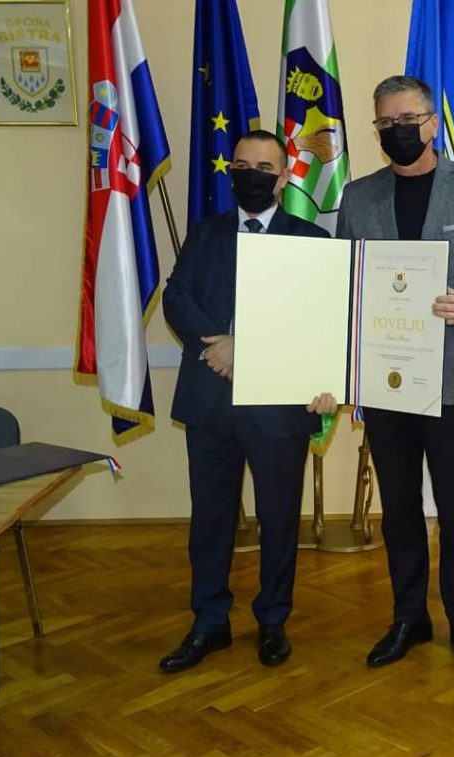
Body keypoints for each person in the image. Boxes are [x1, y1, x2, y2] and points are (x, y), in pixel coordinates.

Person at [337, 75, 454, 673]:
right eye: (385, 123)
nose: (397, 131)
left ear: (431, 123)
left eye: (407, 120)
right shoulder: (358, 196)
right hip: (385, 380)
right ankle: (409, 617)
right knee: (398, 508)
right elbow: (345, 284)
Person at [160, 130, 336, 674]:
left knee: (279, 519)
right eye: (241, 165)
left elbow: (319, 319)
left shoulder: (311, 240)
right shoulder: (206, 232)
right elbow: (176, 297)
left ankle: (273, 620)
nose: (251, 175)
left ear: (283, 179)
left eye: (264, 168)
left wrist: (246, 348)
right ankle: (208, 622)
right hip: (211, 401)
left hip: (279, 409)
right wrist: (218, 344)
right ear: (229, 171)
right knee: (211, 519)